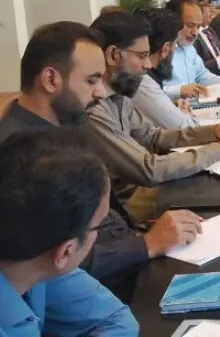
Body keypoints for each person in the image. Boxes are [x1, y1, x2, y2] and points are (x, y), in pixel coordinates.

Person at [0, 22, 205, 281]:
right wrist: (148, 244)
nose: (99, 92)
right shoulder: (21, 157)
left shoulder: (61, 126)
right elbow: (55, 264)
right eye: (91, 80)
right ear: (51, 79)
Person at [86, 10, 220, 194]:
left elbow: (153, 138)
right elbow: (148, 169)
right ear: (113, 55)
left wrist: (214, 132)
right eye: (141, 56)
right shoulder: (93, 108)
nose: (147, 65)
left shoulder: (119, 95)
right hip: (123, 202)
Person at [0, 129, 139, 336]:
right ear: (66, 251)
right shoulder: (41, 259)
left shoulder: (37, 265)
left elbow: (117, 320)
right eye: (101, 224)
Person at [131, 7, 202, 129]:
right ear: (165, 49)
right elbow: (189, 128)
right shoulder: (142, 81)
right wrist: (185, 114)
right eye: (174, 44)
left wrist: (170, 107)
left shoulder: (145, 78)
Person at [161, 0, 220, 101]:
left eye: (198, 26)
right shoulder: (158, 51)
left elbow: (202, 76)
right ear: (174, 22)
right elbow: (149, 92)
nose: (195, 33)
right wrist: (180, 90)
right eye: (190, 26)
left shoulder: (190, 48)